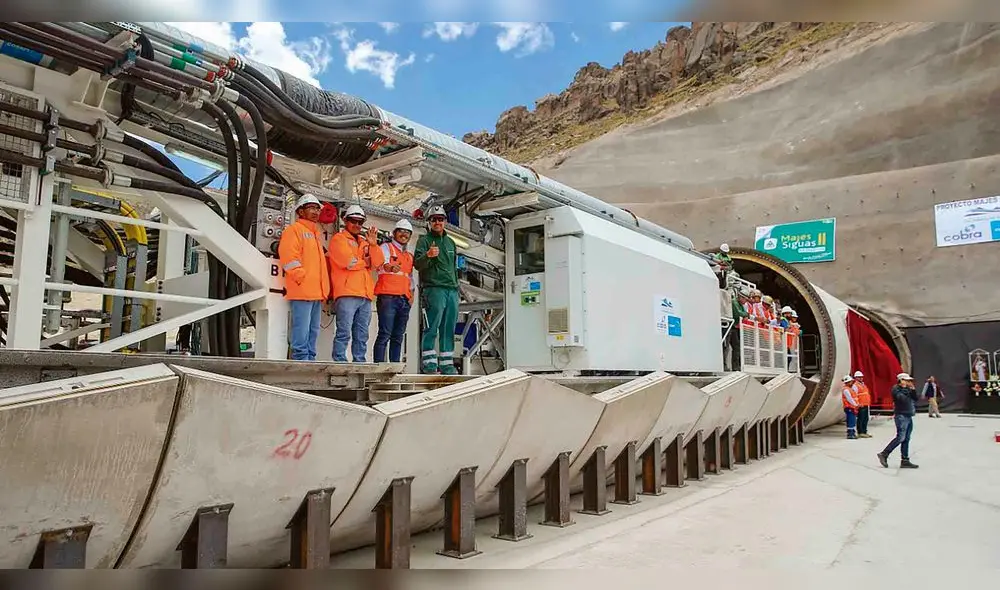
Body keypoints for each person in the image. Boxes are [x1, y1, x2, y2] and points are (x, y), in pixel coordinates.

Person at [277, 194, 330, 361]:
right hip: (302, 291)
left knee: (313, 330)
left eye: (317, 208)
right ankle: (301, 361)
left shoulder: (315, 234)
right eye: (311, 208)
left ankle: (310, 361)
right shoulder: (294, 230)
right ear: (300, 211)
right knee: (302, 330)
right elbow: (288, 257)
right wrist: (302, 277)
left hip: (315, 292)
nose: (315, 211)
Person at [328, 204, 384, 362]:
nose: (357, 225)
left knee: (362, 334)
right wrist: (365, 262)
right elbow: (348, 262)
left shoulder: (365, 242)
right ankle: (339, 361)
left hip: (365, 295)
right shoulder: (338, 239)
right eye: (353, 221)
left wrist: (373, 245)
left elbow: (377, 263)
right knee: (344, 331)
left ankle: (359, 361)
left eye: (360, 222)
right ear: (346, 221)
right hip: (346, 293)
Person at [413, 206, 460, 375]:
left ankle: (447, 365)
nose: (437, 222)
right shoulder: (424, 241)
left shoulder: (451, 243)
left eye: (440, 219)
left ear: (445, 222)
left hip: (452, 290)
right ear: (429, 222)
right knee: (431, 326)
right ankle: (429, 364)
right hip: (434, 289)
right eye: (434, 219)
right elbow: (417, 264)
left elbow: (454, 267)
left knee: (449, 327)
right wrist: (428, 256)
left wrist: (457, 288)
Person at [373, 219, 416, 363]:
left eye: (407, 232)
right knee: (385, 334)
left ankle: (394, 368)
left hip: (403, 299)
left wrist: (412, 296)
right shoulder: (386, 247)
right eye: (401, 231)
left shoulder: (409, 256)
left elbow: (410, 277)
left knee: (398, 336)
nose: (404, 234)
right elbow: (382, 264)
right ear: (394, 233)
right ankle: (379, 367)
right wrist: (390, 267)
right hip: (388, 297)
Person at [876, 373, 919, 469]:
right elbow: (901, 399)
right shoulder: (896, 389)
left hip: (908, 415)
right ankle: (884, 454)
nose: (909, 382)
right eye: (907, 381)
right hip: (901, 416)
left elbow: (916, 398)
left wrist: (912, 390)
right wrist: (904, 388)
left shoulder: (908, 389)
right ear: (901, 380)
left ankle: (905, 460)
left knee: (906, 438)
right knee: (901, 437)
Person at [852, 370, 873, 437]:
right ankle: (860, 432)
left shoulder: (863, 385)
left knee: (865, 418)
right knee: (861, 419)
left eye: (861, 377)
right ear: (855, 378)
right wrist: (857, 404)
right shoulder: (855, 385)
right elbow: (854, 395)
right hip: (861, 404)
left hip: (865, 404)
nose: (861, 378)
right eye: (859, 377)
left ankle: (864, 431)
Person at [841, 375, 859, 439]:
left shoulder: (850, 389)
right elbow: (849, 399)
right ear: (847, 382)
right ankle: (850, 434)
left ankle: (852, 433)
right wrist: (855, 405)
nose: (852, 383)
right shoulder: (846, 390)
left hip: (852, 407)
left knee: (853, 420)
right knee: (851, 420)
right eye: (850, 382)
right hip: (849, 407)